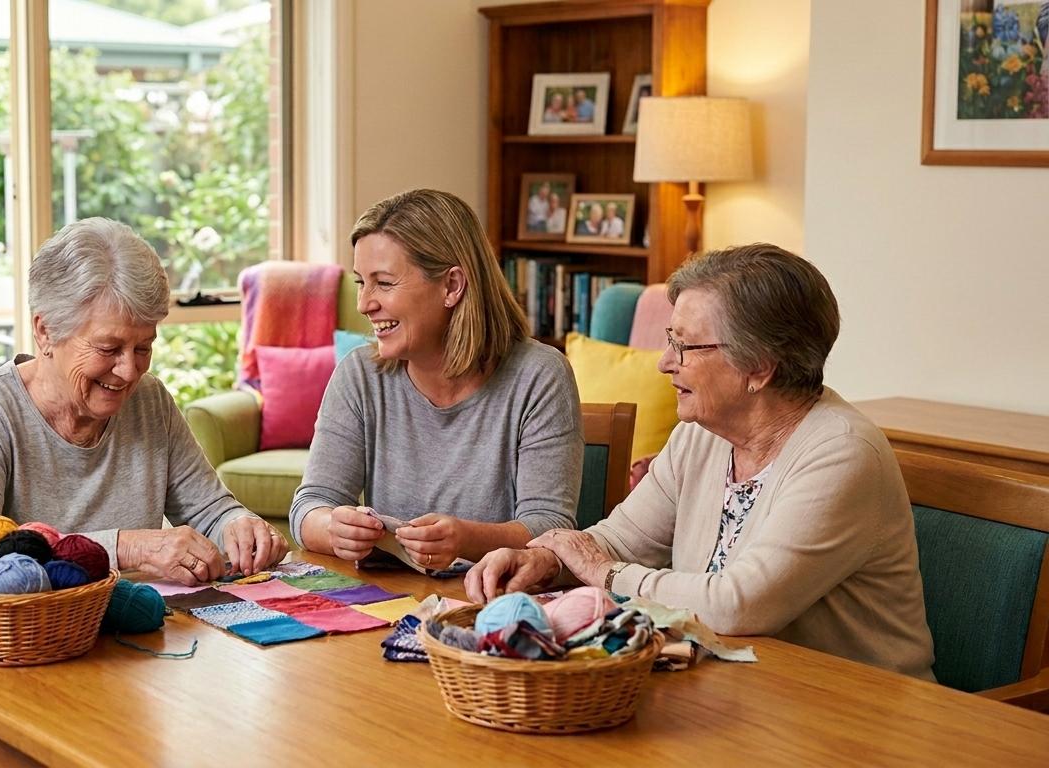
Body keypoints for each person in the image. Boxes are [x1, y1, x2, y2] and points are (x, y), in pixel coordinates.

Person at [466, 243, 936, 679]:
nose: (664, 363)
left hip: (856, 712)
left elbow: (737, 606)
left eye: (684, 347)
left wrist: (602, 572)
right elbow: (621, 540)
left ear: (758, 367)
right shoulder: (702, 435)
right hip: (740, 694)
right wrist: (544, 561)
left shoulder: (842, 454)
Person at [0, 217, 287, 586]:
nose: (129, 370)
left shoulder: (150, 401)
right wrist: (125, 548)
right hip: (31, 637)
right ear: (45, 332)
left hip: (138, 631)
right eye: (108, 348)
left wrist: (240, 528)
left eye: (143, 348)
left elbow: (211, 510)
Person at [289, 189, 581, 571]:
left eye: (385, 283)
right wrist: (333, 527)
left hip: (492, 605)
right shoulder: (359, 374)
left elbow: (551, 529)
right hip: (385, 603)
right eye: (362, 282)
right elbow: (309, 505)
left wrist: (466, 539)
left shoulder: (540, 377)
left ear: (452, 286)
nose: (364, 304)